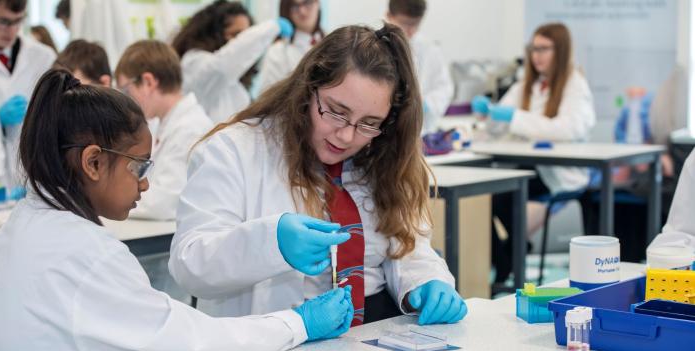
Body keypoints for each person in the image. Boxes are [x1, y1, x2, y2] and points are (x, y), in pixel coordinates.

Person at [0, 68, 353, 351]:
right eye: (139, 167)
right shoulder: (88, 256)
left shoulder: (24, 224)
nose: (145, 184)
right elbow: (197, 342)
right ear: (93, 163)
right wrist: (299, 323)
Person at [169, 23, 467, 327]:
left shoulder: (382, 153)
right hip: (277, 344)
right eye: (337, 111)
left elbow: (406, 244)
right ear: (307, 89)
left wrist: (428, 280)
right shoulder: (234, 149)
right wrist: (271, 243)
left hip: (374, 337)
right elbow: (190, 264)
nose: (347, 135)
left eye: (368, 122)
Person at [471, 23, 596, 285]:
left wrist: (514, 117)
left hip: (559, 172)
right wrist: (489, 112)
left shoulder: (575, 84)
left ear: (559, 50)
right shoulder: (526, 85)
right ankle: (507, 259)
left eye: (543, 49)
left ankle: (508, 258)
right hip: (526, 167)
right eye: (533, 49)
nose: (536, 55)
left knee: (502, 193)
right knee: (482, 196)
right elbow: (496, 125)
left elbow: (568, 128)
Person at [115, 40, 210, 221]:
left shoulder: (190, 129)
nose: (127, 100)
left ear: (148, 82)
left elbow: (163, 203)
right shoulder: (163, 124)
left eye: (127, 91)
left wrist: (107, 199)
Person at [171, 0, 294, 123]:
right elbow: (223, 66)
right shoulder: (195, 62)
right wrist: (272, 27)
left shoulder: (236, 83)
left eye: (247, 34)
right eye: (237, 34)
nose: (242, 41)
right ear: (213, 34)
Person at [0, 0, 56, 187]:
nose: (11, 30)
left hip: (34, 172)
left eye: (18, 21)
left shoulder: (44, 57)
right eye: (3, 21)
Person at [386, 0, 453, 135]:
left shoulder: (429, 49)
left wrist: (426, 104)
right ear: (389, 16)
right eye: (404, 23)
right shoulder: (375, 45)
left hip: (420, 131)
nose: (411, 31)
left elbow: (444, 88)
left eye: (415, 24)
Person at [258, 0, 323, 95]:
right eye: (295, 6)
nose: (302, 11)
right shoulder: (278, 51)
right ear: (286, 10)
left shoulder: (333, 42)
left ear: (317, 3)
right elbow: (267, 96)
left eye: (307, 2)